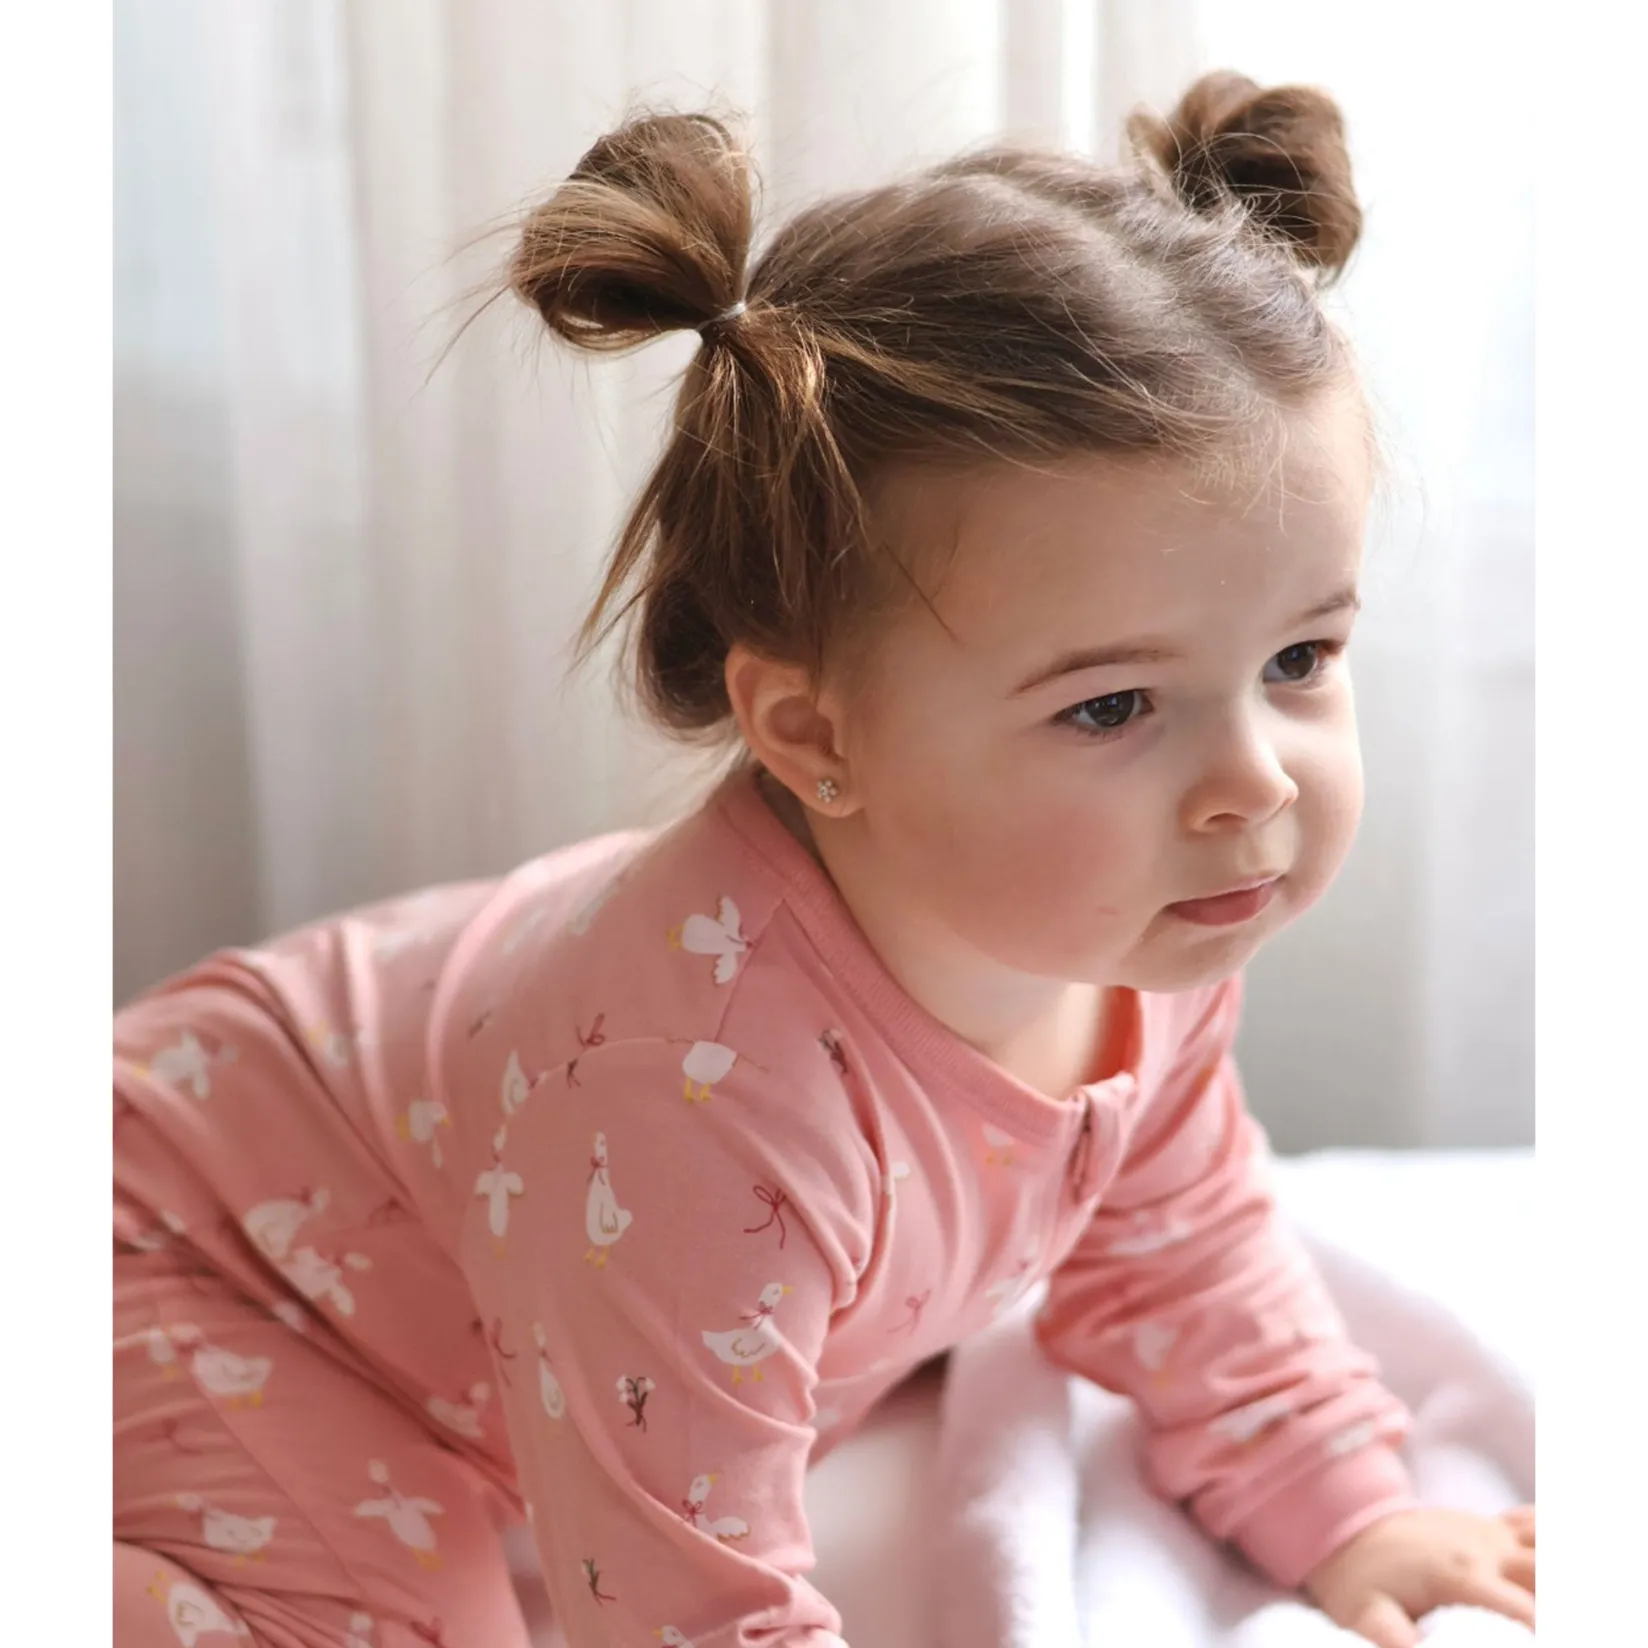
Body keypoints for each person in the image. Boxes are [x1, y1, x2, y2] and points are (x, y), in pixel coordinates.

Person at [113, 70, 1536, 1648]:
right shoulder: (698, 1100)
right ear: (812, 733)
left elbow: (1177, 1246)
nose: (1253, 779)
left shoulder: (1148, 921)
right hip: (164, 1252)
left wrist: (1351, 1509)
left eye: (1300, 659)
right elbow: (681, 1604)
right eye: (1113, 705)